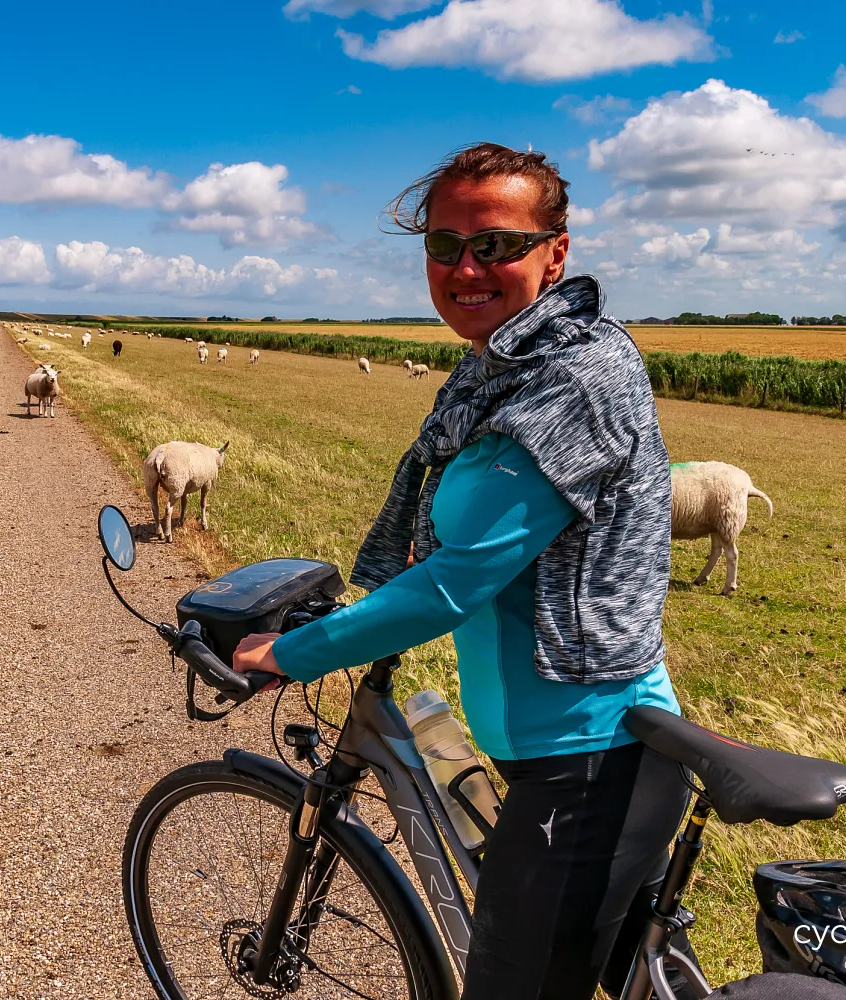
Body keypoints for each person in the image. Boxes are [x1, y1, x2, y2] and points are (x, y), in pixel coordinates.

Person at [231, 142, 690, 1000]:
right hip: (560, 754)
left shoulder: (573, 378)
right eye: (445, 247)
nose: (467, 267)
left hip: (592, 763)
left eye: (498, 245)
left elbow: (455, 582)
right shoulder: (502, 364)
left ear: (556, 252)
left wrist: (286, 655)